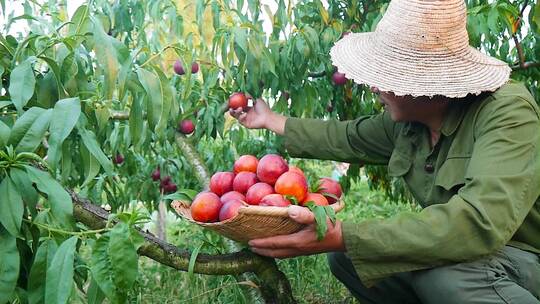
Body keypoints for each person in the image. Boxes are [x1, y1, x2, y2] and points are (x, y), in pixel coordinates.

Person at [230, 0, 540, 303]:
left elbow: (478, 222)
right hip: (470, 253)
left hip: (524, 258)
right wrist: (271, 120)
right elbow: (348, 137)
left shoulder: (506, 112)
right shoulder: (411, 122)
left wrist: (345, 235)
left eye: (384, 76)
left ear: (421, 81)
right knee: (349, 259)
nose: (373, 86)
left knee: (444, 280)